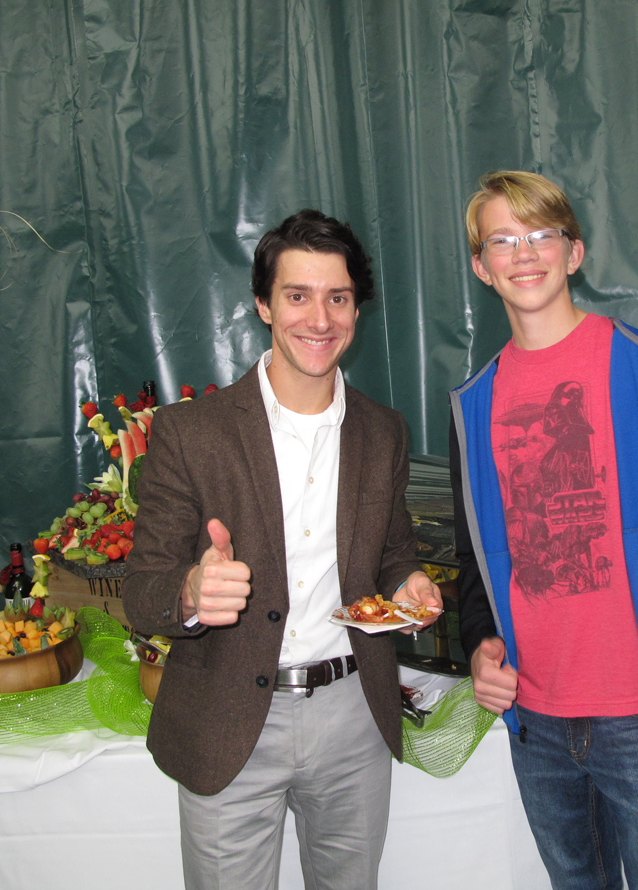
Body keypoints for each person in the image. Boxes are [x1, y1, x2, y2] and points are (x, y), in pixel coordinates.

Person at [122, 208, 442, 890]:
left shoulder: (382, 432)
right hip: (227, 715)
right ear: (264, 305)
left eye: (338, 298)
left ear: (357, 309)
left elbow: (392, 551)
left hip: (353, 714)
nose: (319, 319)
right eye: (298, 295)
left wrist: (408, 581)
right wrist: (190, 591)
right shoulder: (190, 433)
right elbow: (143, 592)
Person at [449, 172, 638, 889]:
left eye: (541, 234)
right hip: (537, 723)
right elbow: (477, 563)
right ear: (482, 266)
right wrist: (480, 645)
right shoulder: (473, 404)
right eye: (502, 240)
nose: (524, 253)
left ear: (574, 252)